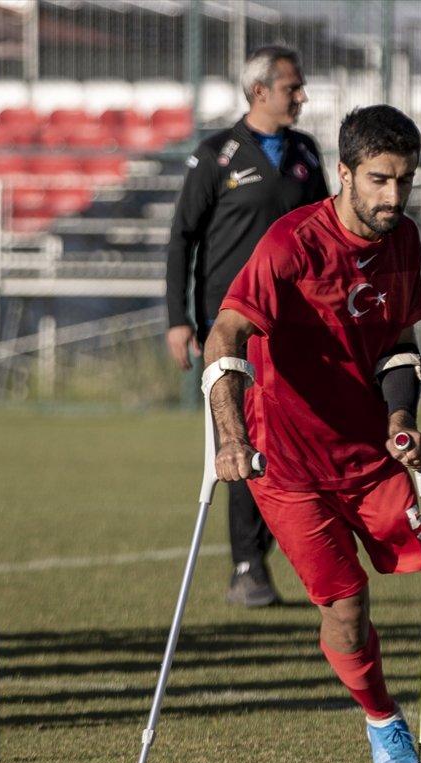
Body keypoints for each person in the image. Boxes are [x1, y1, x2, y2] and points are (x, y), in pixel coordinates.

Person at [201, 106, 421, 763]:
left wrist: (400, 423)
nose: (394, 196)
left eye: (405, 182)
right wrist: (230, 437)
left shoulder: (405, 241)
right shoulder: (290, 244)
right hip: (289, 464)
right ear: (345, 173)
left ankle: (376, 694)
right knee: (347, 603)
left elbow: (397, 343)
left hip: (368, 453)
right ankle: (382, 717)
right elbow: (225, 337)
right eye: (380, 180)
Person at [165, 45, 329, 607]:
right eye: (293, 87)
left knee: (293, 444)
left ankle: (281, 557)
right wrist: (178, 320)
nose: (302, 96)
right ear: (260, 91)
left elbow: (324, 232)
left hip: (294, 328)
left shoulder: (306, 152)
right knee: (243, 440)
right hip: (229, 328)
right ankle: (247, 567)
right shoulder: (216, 155)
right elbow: (182, 239)